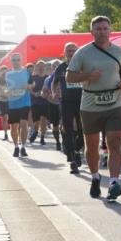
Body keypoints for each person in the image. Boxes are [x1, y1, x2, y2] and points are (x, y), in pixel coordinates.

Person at [67, 16, 121, 200]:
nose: (102, 32)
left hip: (115, 103)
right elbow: (69, 77)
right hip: (90, 104)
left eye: (105, 28)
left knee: (114, 142)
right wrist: (88, 75)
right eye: (98, 29)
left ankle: (114, 182)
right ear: (92, 32)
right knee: (92, 145)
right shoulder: (83, 53)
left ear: (110, 30)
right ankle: (95, 177)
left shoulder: (120, 51)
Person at [51, 43, 84, 173]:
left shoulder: (83, 65)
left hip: (83, 102)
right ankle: (73, 160)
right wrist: (54, 93)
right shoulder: (61, 67)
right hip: (66, 102)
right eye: (68, 51)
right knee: (68, 130)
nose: (71, 52)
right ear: (64, 53)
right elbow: (54, 84)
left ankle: (76, 150)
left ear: (77, 52)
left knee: (84, 131)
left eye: (73, 50)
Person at [4, 54, 33, 157]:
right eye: (14, 60)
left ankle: (23, 147)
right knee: (13, 126)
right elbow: (2, 88)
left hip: (25, 102)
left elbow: (32, 84)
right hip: (12, 103)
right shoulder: (7, 74)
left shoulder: (26, 72)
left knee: (23, 123)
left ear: (21, 60)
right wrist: (6, 92)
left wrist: (28, 86)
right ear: (11, 62)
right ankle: (16, 146)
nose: (16, 61)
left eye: (18, 60)